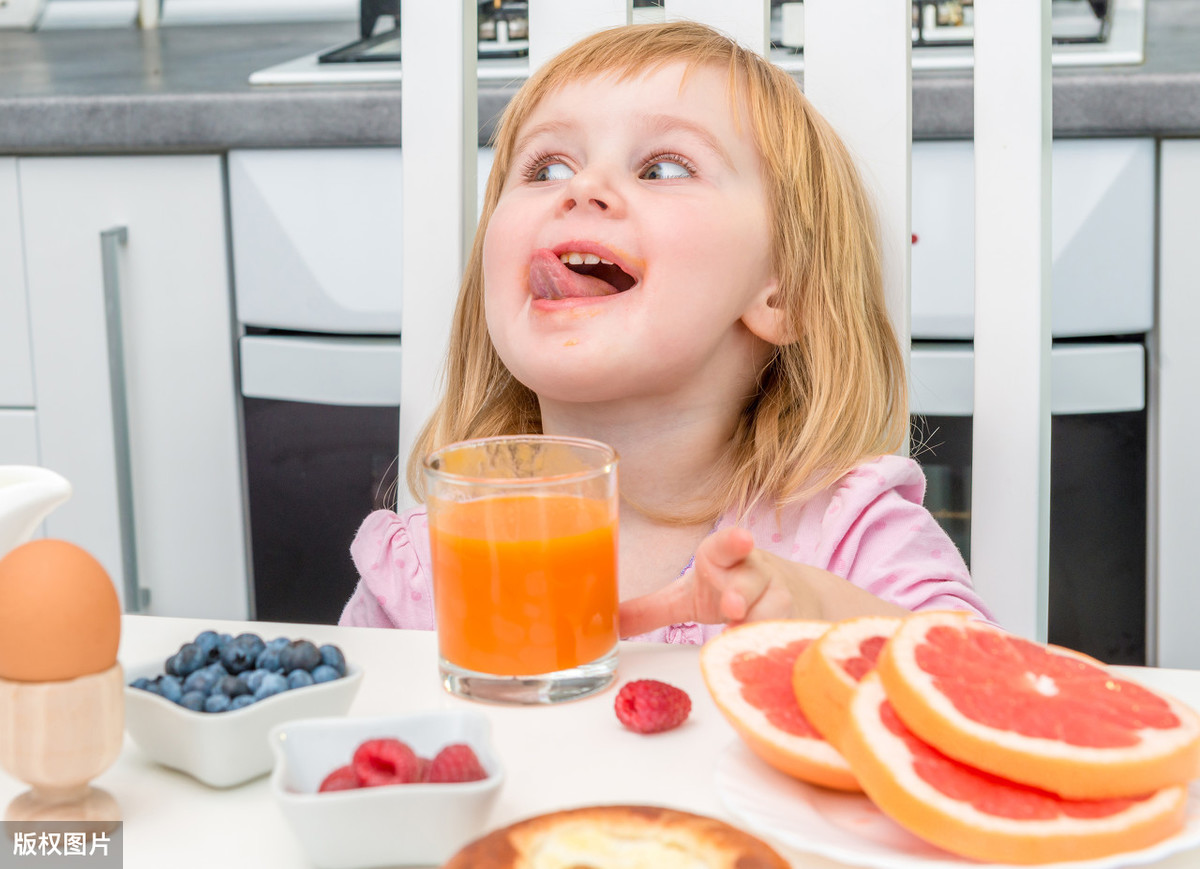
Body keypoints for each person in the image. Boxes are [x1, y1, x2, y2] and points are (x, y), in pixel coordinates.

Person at [339, 20, 994, 642]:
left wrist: (818, 608)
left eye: (663, 168)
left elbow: (981, 685)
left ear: (785, 290)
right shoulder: (424, 567)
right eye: (547, 169)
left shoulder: (849, 535)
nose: (584, 187)